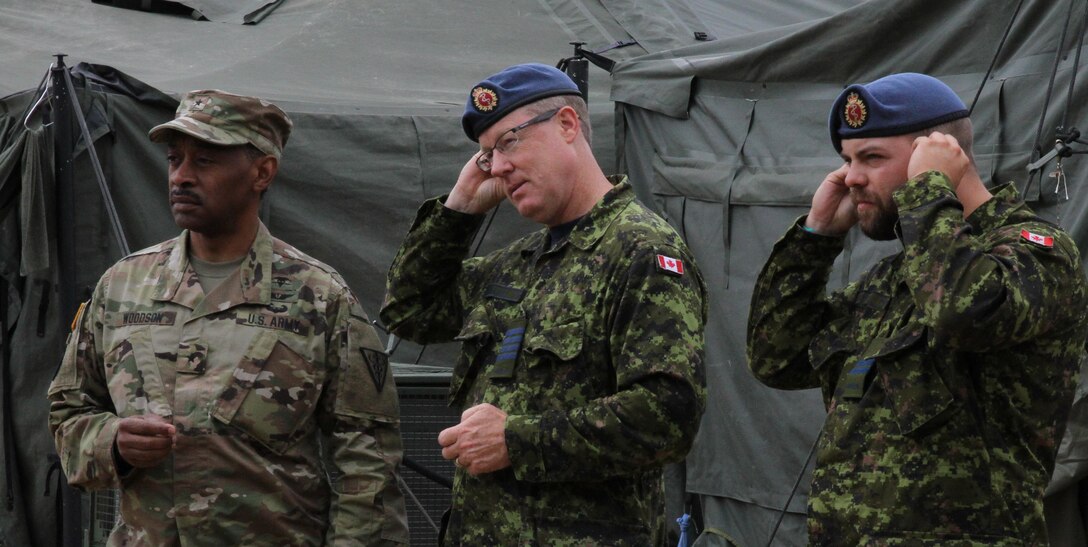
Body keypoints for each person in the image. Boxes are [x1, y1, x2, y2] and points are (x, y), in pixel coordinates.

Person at [47, 90, 409, 546]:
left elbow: (369, 461)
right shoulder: (122, 286)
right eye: (175, 160)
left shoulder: (318, 296)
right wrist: (113, 442)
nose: (181, 177)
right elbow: (68, 412)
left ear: (262, 172)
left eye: (205, 161)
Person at [746, 72, 1088, 544]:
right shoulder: (897, 277)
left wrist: (928, 190)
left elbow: (962, 315)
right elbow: (776, 359)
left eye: (872, 157)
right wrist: (815, 238)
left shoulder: (1037, 252)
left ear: (943, 156)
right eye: (847, 159)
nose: (851, 177)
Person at [379, 63, 708, 545]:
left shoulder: (641, 253)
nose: (500, 166)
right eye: (488, 155)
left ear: (568, 125)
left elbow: (667, 415)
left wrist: (515, 440)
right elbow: (409, 310)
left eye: (509, 142)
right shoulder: (519, 263)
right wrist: (459, 209)